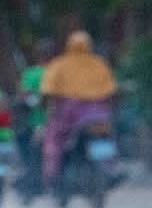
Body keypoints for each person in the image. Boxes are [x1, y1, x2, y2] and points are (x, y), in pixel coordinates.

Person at [39, 31, 117, 188]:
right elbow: (111, 90)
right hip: (98, 111)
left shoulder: (59, 64)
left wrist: (49, 106)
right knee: (106, 136)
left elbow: (48, 91)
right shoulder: (99, 64)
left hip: (69, 113)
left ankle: (52, 174)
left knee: (55, 138)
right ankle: (111, 170)